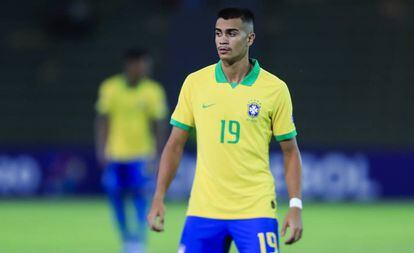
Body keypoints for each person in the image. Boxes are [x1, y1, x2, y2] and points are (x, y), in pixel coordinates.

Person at [148, 7, 303, 253]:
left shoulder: (275, 89)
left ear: (250, 38)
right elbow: (174, 144)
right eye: (218, 33)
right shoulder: (195, 83)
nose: (222, 39)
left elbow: (290, 151)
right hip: (204, 209)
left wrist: (295, 205)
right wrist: (158, 196)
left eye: (232, 33)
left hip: (255, 209)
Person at [95, 48, 168, 253]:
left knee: (140, 197)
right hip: (115, 155)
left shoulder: (153, 91)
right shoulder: (110, 88)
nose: (144, 68)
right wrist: (101, 149)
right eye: (141, 64)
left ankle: (138, 240)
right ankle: (126, 237)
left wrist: (158, 152)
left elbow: (160, 124)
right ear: (130, 65)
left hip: (141, 155)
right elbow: (103, 120)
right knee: (115, 198)